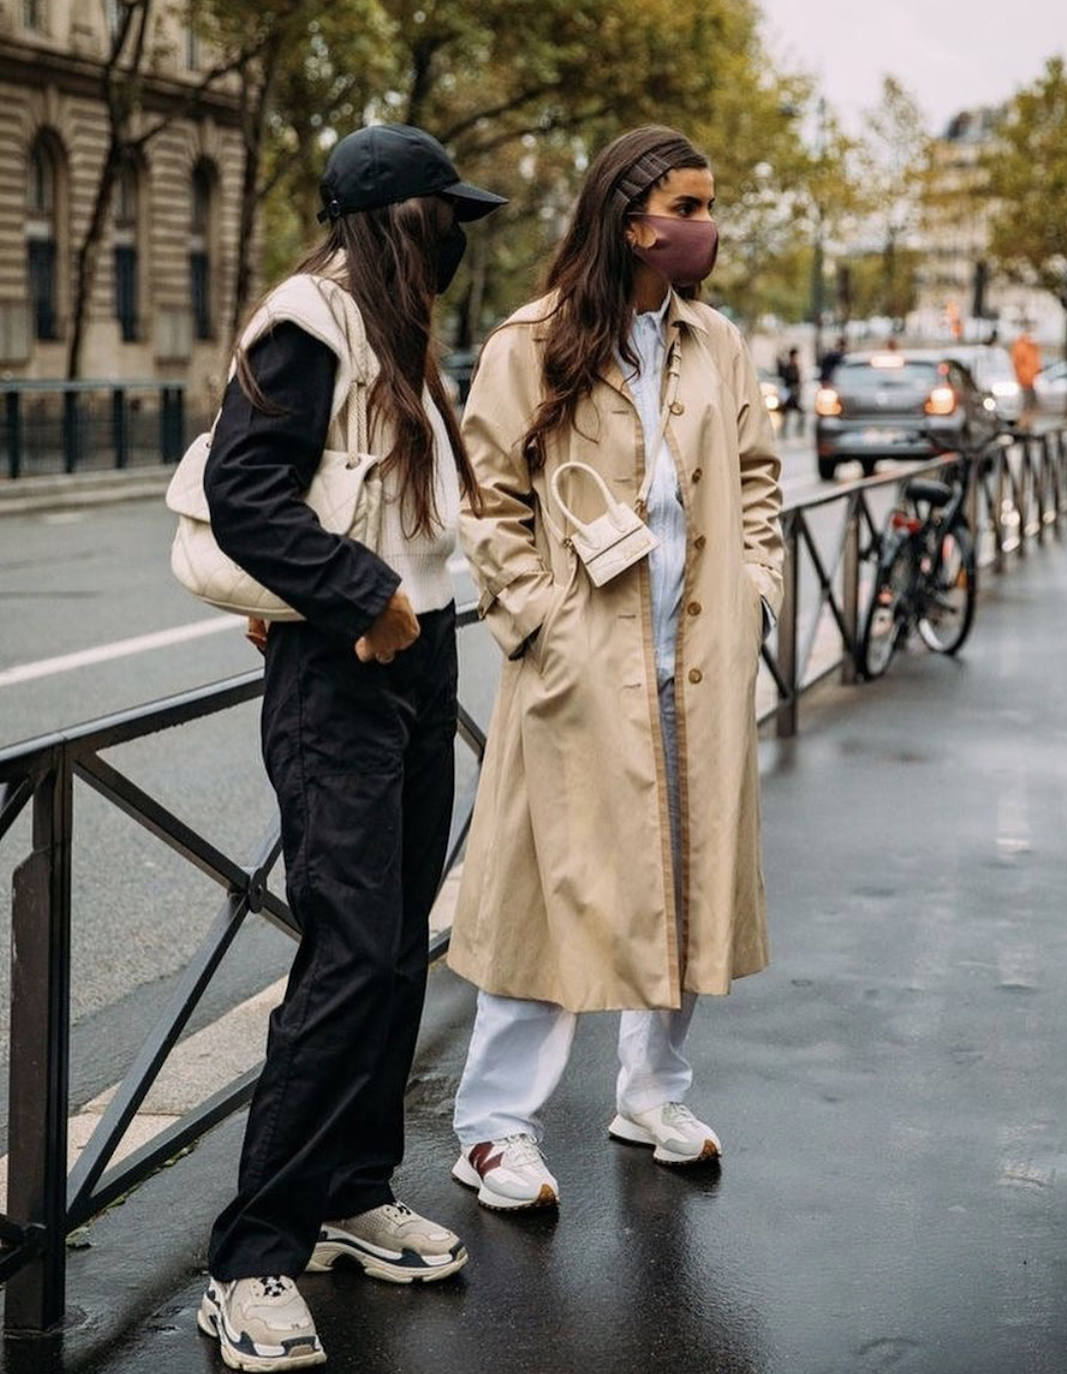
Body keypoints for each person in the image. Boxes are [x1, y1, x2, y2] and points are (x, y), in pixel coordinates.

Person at [197, 124, 505, 1369]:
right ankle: (251, 1256)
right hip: (348, 669)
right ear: (397, 221)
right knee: (350, 952)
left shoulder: (393, 330)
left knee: (390, 958)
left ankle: (347, 1196)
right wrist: (355, 595)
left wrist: (406, 608)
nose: (460, 243)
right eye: (448, 219)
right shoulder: (310, 320)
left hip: (414, 659)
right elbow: (245, 490)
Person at [446, 125, 784, 1211]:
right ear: (632, 218)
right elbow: (485, 498)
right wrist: (539, 625)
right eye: (688, 205)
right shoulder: (531, 342)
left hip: (697, 662)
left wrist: (756, 595)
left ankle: (651, 1091)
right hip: (580, 668)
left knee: (684, 877)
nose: (705, 226)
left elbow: (761, 480)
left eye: (708, 204)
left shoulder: (715, 343)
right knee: (551, 890)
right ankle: (493, 1130)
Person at [777, 346, 804, 436]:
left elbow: (798, 380)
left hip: (794, 393)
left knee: (799, 413)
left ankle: (798, 432)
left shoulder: (796, 367)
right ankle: (784, 432)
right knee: (786, 412)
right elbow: (785, 379)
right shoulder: (788, 367)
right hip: (789, 392)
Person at [1012, 327, 1041, 409]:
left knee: (1033, 405)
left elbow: (1035, 363)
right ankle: (1025, 420)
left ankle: (1029, 420)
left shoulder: (1033, 347)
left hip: (1032, 380)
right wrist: (1023, 377)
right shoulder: (1021, 346)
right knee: (1027, 405)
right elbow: (1018, 364)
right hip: (1025, 381)